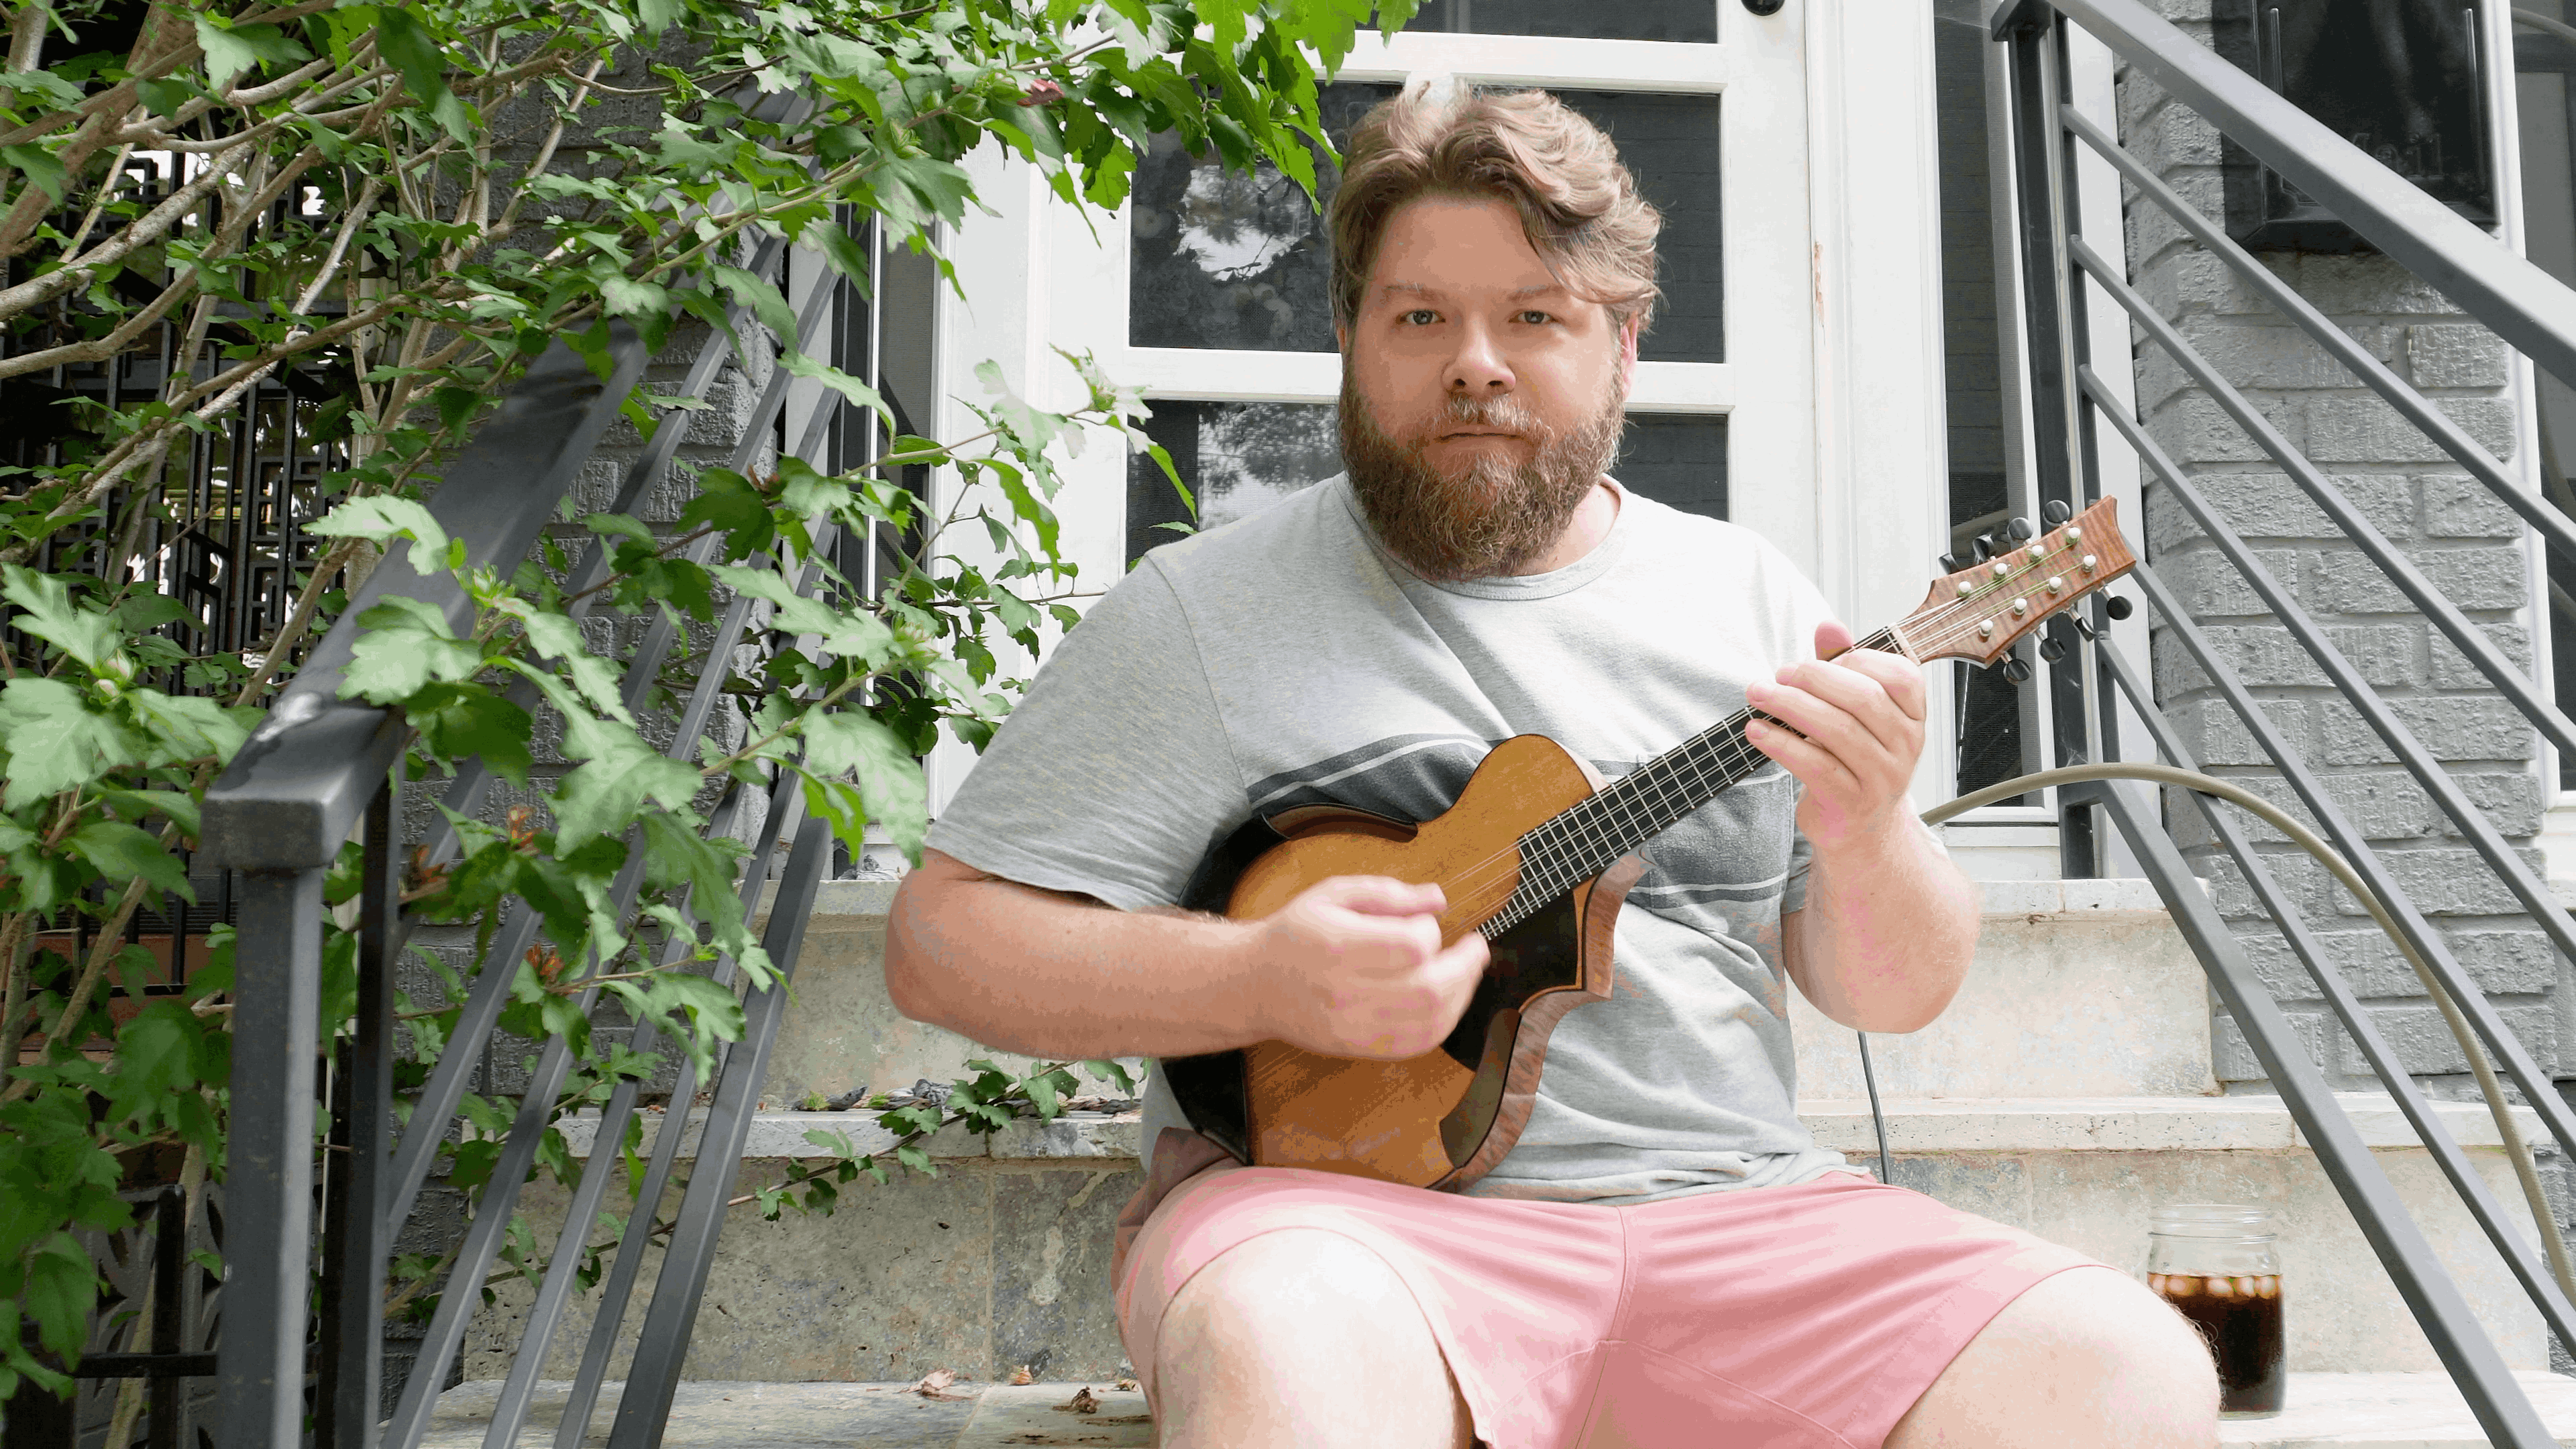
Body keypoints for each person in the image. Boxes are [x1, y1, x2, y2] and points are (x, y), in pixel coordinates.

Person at [884, 76, 2218, 1449]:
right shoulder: (1201, 615)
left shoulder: (1748, 596)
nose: (1478, 363)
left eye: (1535, 317)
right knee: (1278, 1340)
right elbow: (939, 944)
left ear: (1625, 345)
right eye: (1421, 318)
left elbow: (1893, 991)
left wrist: (1872, 823)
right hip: (1348, 1236)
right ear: (1349, 335)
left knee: (2123, 1365)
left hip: (1742, 1221)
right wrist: (1259, 976)